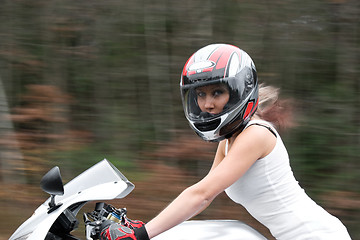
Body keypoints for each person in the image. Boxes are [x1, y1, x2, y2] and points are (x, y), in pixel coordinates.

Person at [100, 44, 352, 240]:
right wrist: (143, 228)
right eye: (200, 94)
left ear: (239, 91)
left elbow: (202, 196)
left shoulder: (256, 134)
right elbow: (202, 190)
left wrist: (142, 234)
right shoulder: (230, 140)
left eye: (217, 92)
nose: (207, 103)